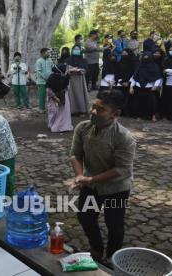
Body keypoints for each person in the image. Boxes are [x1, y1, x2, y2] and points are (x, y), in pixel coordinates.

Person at [70, 90, 136, 265]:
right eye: (93, 107)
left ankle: (113, 257)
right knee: (85, 216)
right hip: (90, 185)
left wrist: (91, 180)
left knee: (114, 223)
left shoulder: (124, 137)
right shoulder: (83, 128)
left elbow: (121, 169)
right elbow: (76, 154)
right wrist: (79, 176)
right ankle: (96, 249)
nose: (93, 112)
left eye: (100, 109)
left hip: (116, 189)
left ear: (115, 114)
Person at [129, 52, 163, 121]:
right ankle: (139, 116)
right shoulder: (139, 66)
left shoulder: (154, 66)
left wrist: (156, 86)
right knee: (138, 103)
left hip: (149, 88)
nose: (146, 58)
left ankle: (152, 116)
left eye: (147, 57)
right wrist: (131, 87)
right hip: (139, 87)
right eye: (144, 57)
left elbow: (158, 77)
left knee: (152, 102)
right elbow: (135, 76)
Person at [46, 62, 73, 132]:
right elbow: (49, 89)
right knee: (54, 112)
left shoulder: (64, 77)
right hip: (53, 97)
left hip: (62, 97)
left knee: (61, 112)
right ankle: (53, 125)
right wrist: (55, 97)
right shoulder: (52, 77)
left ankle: (60, 126)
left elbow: (66, 87)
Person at [66, 46, 90, 115]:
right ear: (72, 50)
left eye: (78, 49)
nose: (76, 50)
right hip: (71, 80)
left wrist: (80, 71)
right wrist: (70, 71)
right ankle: (72, 111)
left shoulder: (83, 60)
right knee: (71, 95)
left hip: (80, 80)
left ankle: (82, 110)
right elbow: (65, 68)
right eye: (75, 49)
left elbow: (85, 69)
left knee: (80, 95)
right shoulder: (68, 59)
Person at [116, 49, 138, 116]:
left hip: (131, 83)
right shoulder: (120, 62)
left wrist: (128, 82)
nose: (124, 54)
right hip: (121, 83)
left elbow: (135, 73)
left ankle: (129, 112)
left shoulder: (134, 63)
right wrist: (121, 81)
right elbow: (117, 73)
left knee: (130, 98)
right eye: (123, 53)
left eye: (125, 53)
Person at [35, 48, 54, 113]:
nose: (49, 53)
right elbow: (38, 71)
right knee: (42, 95)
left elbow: (53, 68)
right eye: (47, 52)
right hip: (41, 81)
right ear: (43, 53)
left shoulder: (50, 60)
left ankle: (50, 108)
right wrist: (45, 77)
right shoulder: (39, 61)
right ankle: (41, 109)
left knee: (51, 95)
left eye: (49, 52)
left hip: (50, 81)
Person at [161, 49, 172, 120]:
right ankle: (166, 114)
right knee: (167, 99)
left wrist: (169, 70)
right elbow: (164, 69)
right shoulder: (167, 59)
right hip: (168, 83)